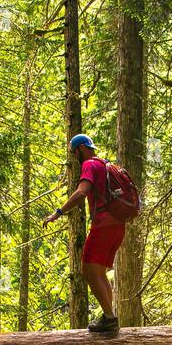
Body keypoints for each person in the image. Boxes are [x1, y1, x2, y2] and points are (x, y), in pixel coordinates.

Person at [43, 134, 127, 332]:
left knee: (88, 270)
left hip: (104, 225)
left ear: (81, 148)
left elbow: (82, 192)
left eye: (74, 152)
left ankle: (109, 318)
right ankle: (110, 316)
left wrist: (58, 212)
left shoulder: (89, 164)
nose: (75, 156)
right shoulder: (105, 164)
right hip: (118, 225)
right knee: (98, 272)